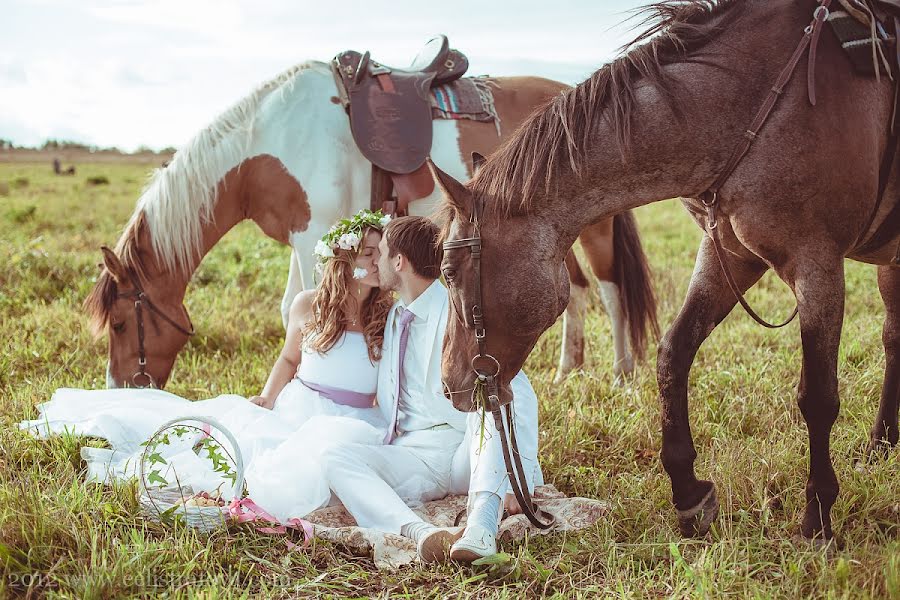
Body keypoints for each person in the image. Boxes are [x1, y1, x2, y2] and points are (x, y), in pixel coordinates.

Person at [19, 209, 395, 522]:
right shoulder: (307, 304)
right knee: (255, 458)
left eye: (381, 253)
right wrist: (267, 396)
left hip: (358, 416)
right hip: (304, 404)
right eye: (368, 254)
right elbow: (289, 358)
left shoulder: (389, 314)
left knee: (340, 466)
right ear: (344, 259)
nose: (378, 262)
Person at [319, 216, 543, 563]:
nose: (373, 262)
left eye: (378, 253)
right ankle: (420, 533)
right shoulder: (394, 315)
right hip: (412, 454)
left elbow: (521, 395)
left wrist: (520, 478)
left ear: (399, 261)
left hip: (462, 452)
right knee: (333, 456)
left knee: (496, 398)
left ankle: (482, 525)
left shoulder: (460, 314)